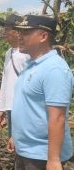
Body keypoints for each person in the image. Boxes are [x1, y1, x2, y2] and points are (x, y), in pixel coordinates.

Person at [8, 15, 73, 170]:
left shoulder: (54, 69)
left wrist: (53, 160)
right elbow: (27, 106)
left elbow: (57, 118)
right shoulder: (32, 64)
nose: (19, 37)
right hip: (25, 150)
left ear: (43, 36)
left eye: (26, 33)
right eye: (19, 32)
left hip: (42, 155)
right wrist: (15, 136)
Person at [0, 14, 30, 137]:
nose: (4, 33)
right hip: (11, 107)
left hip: (25, 107)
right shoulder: (8, 53)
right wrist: (2, 107)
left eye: (7, 29)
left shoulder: (28, 54)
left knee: (24, 143)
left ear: (17, 32)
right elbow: (5, 81)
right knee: (14, 143)